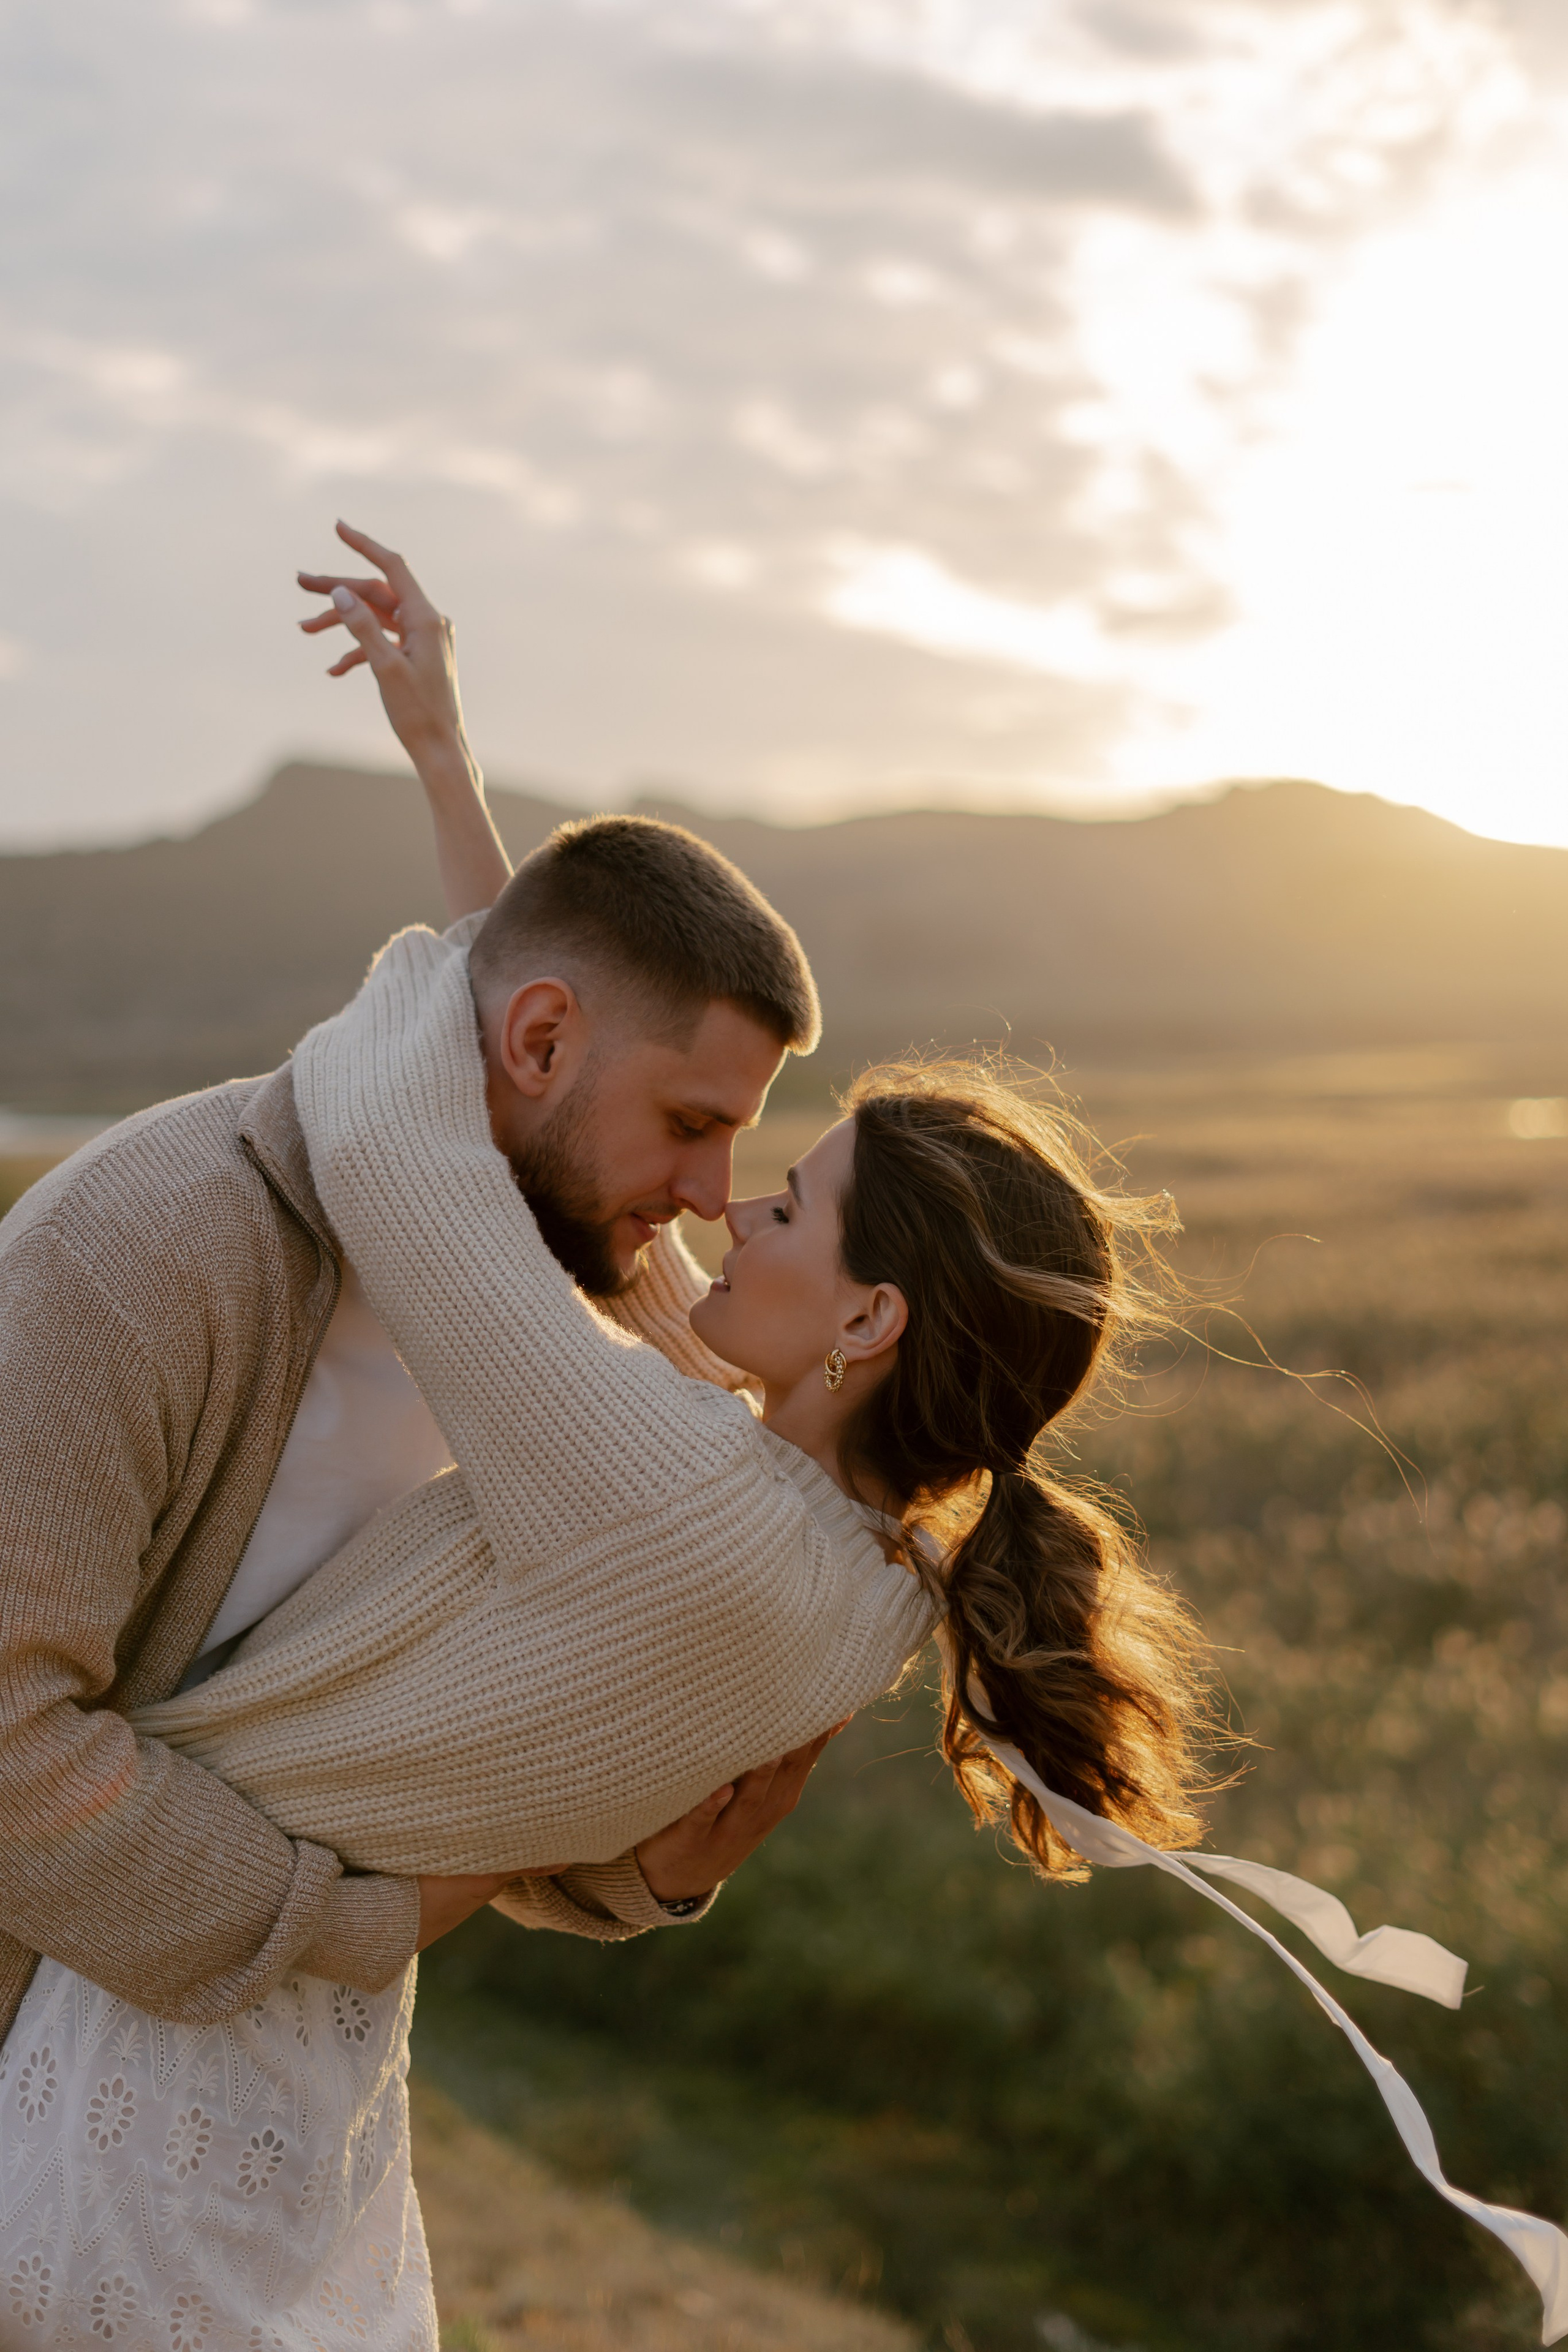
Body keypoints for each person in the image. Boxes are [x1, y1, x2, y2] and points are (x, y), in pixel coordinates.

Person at [0, 532, 1208, 2346]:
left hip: (242, 2075)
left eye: (780, 1195)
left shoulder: (662, 1450)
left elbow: (445, 1151)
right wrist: (448, 775)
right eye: (717, 1146)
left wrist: (553, 1883)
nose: (718, 1211)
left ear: (870, 1324)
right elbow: (533, 1128)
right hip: (178, 2046)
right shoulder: (836, 1545)